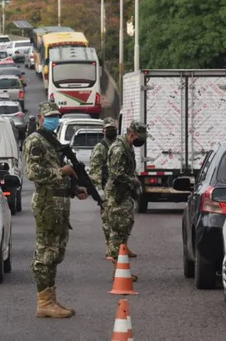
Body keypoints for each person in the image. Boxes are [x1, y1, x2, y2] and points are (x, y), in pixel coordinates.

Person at [23, 101, 89, 319]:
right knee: (45, 253)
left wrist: (74, 188)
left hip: (59, 204)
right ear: (41, 118)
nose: (55, 119)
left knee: (56, 253)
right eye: (50, 116)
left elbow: (58, 177)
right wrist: (63, 172)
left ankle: (50, 299)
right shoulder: (35, 140)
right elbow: (34, 173)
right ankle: (44, 302)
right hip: (47, 204)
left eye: (57, 115)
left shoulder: (52, 141)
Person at [103, 121, 147, 281]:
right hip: (117, 194)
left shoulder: (127, 147)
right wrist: (132, 181)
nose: (140, 142)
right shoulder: (119, 149)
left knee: (125, 226)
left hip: (123, 194)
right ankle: (118, 271)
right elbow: (116, 174)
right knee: (117, 230)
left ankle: (121, 269)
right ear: (132, 134)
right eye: (139, 138)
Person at [88, 117, 118, 260]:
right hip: (106, 188)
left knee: (122, 219)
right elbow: (95, 169)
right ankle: (108, 246)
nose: (111, 131)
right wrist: (98, 189)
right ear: (103, 131)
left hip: (119, 188)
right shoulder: (100, 148)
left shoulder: (119, 145)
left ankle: (120, 245)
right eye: (108, 129)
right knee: (107, 220)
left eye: (113, 129)